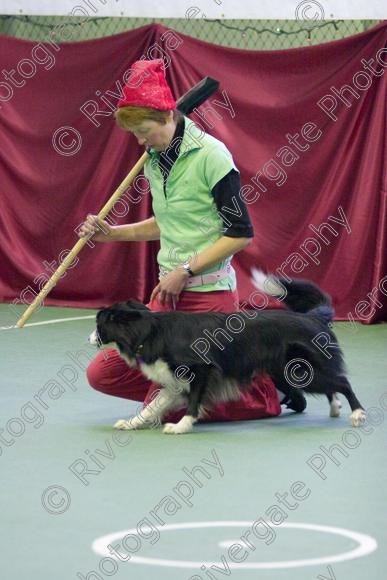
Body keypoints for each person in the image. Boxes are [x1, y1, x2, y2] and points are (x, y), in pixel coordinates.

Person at [81, 58, 281, 424]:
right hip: (166, 297)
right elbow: (166, 223)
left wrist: (186, 269)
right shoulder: (155, 159)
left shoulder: (213, 156)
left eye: (144, 131)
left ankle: (261, 388)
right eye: (135, 135)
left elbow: (240, 233)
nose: (140, 141)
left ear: (167, 117)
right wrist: (111, 233)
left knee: (178, 399)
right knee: (103, 373)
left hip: (209, 295)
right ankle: (186, 391)